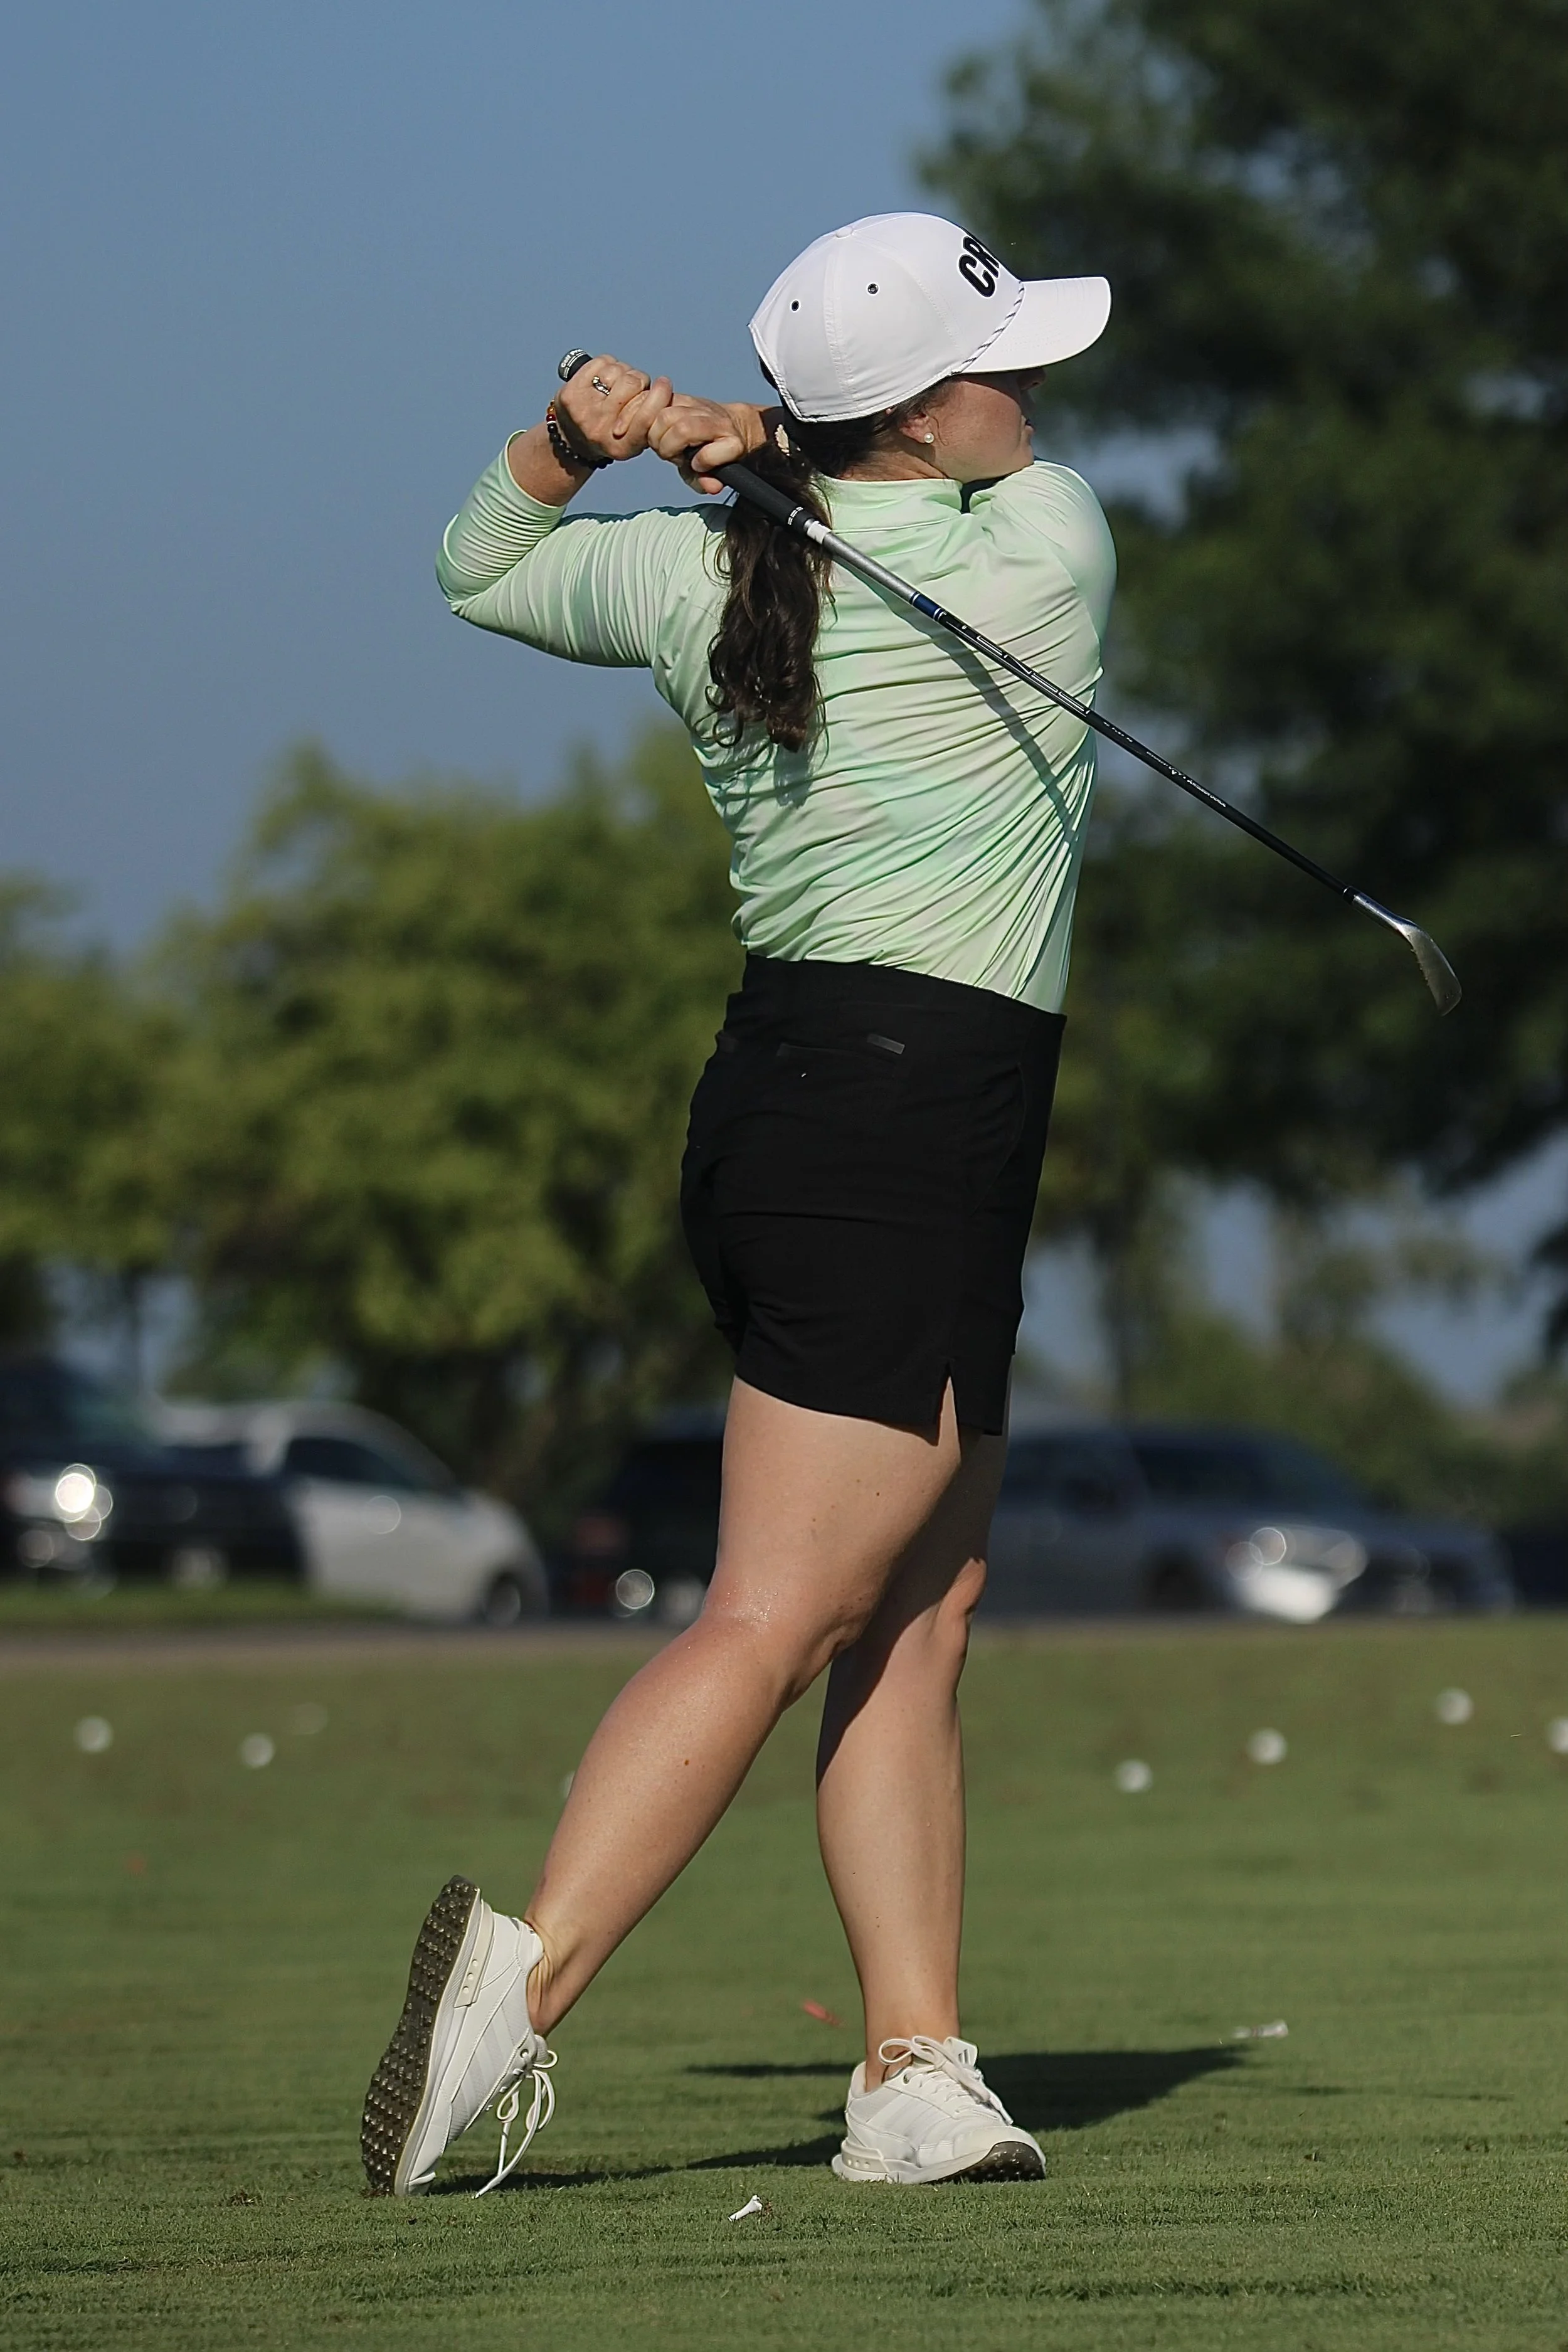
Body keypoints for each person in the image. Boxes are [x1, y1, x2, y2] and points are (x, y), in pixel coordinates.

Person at [361, 213, 1116, 2198]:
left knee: (919, 1606)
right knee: (781, 1608)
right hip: (907, 1128)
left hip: (796, 1105)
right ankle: (513, 1995)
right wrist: (741, 438)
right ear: (934, 414)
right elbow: (934, 492)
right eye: (1000, 367)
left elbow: (478, 563)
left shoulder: (693, 569)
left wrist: (579, 438)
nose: (1028, 395)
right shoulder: (1044, 541)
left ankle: (911, 2070)